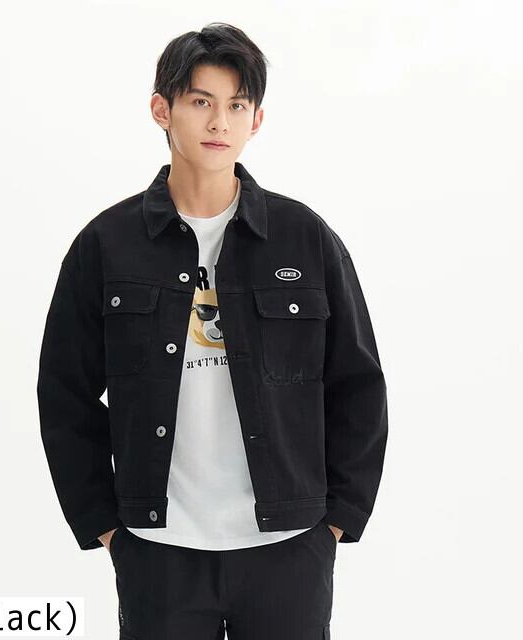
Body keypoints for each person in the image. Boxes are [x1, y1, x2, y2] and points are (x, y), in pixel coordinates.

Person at [37, 22, 388, 640]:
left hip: (289, 547)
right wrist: (105, 525)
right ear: (161, 110)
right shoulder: (106, 244)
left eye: (237, 105)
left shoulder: (304, 237)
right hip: (158, 549)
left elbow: (358, 383)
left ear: (257, 120)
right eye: (201, 102)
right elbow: (64, 393)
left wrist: (336, 520)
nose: (219, 122)